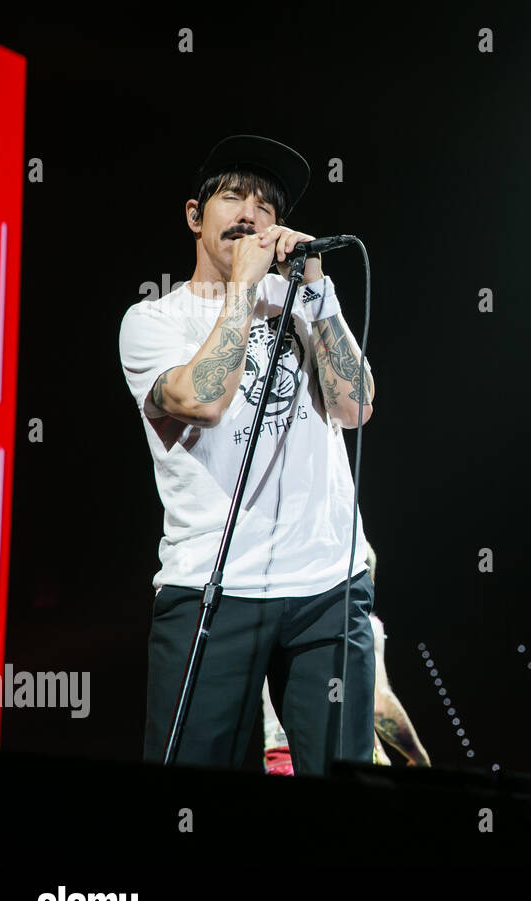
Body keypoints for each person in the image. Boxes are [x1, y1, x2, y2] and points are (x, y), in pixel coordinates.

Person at [119, 134, 377, 775]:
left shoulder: (303, 306)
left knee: (352, 810)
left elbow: (355, 407)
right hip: (211, 592)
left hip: (328, 589)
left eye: (267, 206)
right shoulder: (152, 321)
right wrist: (242, 290)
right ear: (192, 215)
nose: (251, 215)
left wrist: (317, 295)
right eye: (233, 197)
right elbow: (202, 400)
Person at [262, 543, 431, 774]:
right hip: (332, 756)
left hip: (279, 758)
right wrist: (417, 756)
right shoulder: (361, 626)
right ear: (366, 577)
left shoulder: (273, 615)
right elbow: (378, 704)